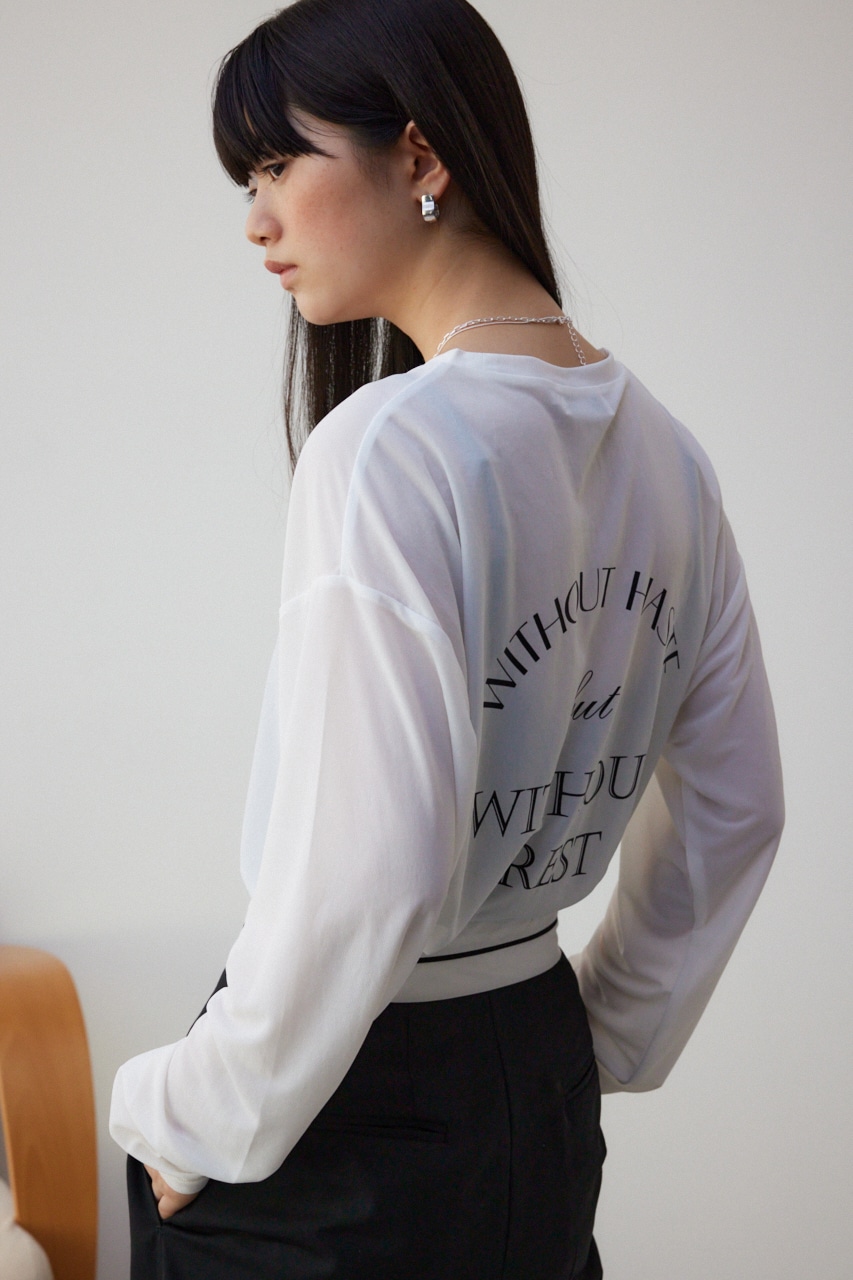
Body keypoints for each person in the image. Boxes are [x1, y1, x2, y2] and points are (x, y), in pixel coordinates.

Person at [109, 1, 785, 1276]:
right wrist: (602, 1032)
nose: (255, 219)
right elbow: (736, 806)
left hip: (342, 1107)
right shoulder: (667, 453)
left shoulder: (388, 448)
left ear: (419, 155)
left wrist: (186, 1106)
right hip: (533, 1080)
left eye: (277, 164)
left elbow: (368, 871)